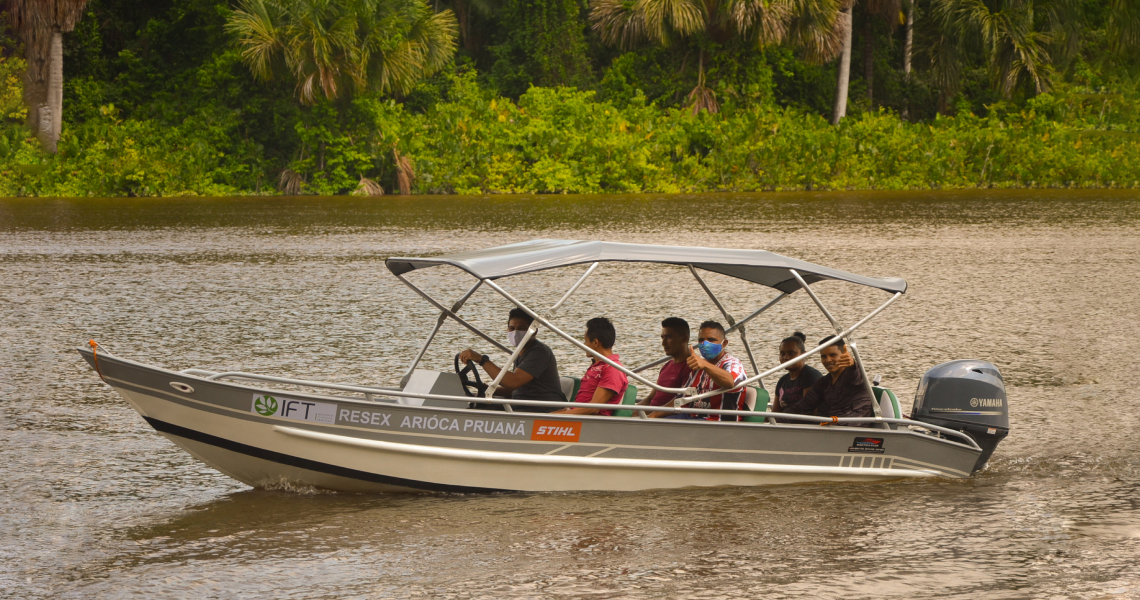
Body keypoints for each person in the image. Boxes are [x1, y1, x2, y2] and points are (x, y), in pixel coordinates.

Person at [458, 307, 564, 412]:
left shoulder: (539, 353)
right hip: (522, 404)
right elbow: (515, 390)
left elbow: (512, 382)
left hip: (541, 409)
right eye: (512, 328)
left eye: (521, 328)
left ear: (534, 331)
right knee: (478, 405)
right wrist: (487, 389)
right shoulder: (521, 353)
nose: (516, 333)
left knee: (479, 411)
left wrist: (482, 360)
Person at [651, 320, 746, 421]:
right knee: (654, 423)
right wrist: (654, 415)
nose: (705, 344)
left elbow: (730, 381)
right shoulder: (698, 367)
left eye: (711, 340)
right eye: (701, 340)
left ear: (724, 343)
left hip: (717, 422)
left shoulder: (732, 363)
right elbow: (682, 399)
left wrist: (705, 365)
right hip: (694, 417)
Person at [780, 335, 873, 423]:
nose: (828, 360)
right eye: (824, 356)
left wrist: (852, 363)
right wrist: (774, 419)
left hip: (852, 432)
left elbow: (855, 374)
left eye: (833, 355)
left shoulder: (855, 375)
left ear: (844, 354)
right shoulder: (823, 383)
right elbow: (801, 407)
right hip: (828, 430)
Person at [552, 317, 629, 416]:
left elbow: (593, 408)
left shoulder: (612, 369)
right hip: (577, 417)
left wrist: (555, 417)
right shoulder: (597, 366)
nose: (584, 345)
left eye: (586, 341)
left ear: (595, 342)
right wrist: (550, 415)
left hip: (589, 423)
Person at [643, 317, 694, 409]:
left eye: (669, 337)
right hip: (649, 415)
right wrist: (629, 412)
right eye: (662, 337)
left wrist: (651, 415)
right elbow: (650, 398)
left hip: (663, 418)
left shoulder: (690, 367)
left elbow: (682, 402)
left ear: (684, 338)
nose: (663, 343)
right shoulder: (667, 365)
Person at [773, 332, 824, 413]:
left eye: (791, 353)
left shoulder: (811, 376)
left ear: (804, 354)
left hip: (803, 424)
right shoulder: (782, 381)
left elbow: (807, 411)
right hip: (784, 423)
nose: (786, 357)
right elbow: (775, 413)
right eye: (782, 354)